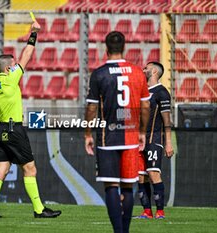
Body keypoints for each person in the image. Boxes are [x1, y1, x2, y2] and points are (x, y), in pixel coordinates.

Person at [0, 20, 61, 218]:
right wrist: (34, 33)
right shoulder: (11, 78)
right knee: (30, 168)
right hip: (13, 129)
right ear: (9, 68)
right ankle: (38, 210)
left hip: (0, 130)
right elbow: (27, 54)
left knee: (1, 170)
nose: (16, 64)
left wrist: (2, 112)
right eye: (13, 63)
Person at [85, 31, 150, 233]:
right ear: (124, 48)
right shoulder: (138, 72)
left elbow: (92, 108)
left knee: (111, 186)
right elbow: (145, 107)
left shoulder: (99, 74)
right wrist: (142, 131)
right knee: (128, 186)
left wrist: (87, 133)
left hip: (107, 137)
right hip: (130, 137)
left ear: (106, 49)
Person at [137, 62, 174, 219]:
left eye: (146, 68)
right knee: (140, 176)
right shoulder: (141, 91)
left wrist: (168, 143)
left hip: (154, 139)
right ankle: (147, 212)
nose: (143, 70)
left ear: (153, 71)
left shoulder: (161, 93)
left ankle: (160, 212)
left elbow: (167, 120)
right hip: (139, 141)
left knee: (153, 174)